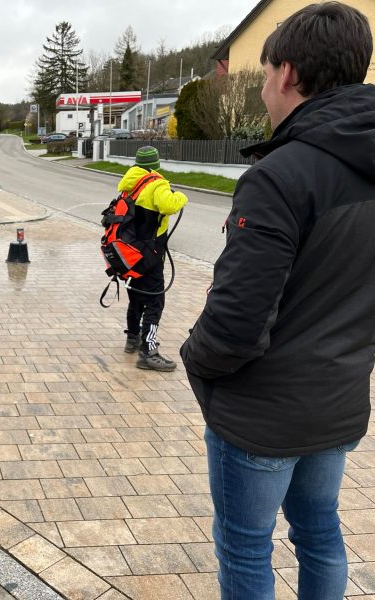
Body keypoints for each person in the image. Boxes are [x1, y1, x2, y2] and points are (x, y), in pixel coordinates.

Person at [179, 3, 374, 598]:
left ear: (287, 73)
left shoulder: (280, 175)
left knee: (245, 543)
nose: (263, 89)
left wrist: (197, 363)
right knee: (319, 530)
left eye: (264, 75)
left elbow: (236, 322)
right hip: (338, 403)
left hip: (263, 415)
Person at [118, 146, 187, 371]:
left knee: (136, 296)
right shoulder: (157, 183)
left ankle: (132, 339)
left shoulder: (129, 184)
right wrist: (181, 196)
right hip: (151, 254)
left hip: (129, 254)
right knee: (155, 300)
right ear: (155, 165)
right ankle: (148, 350)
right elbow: (169, 205)